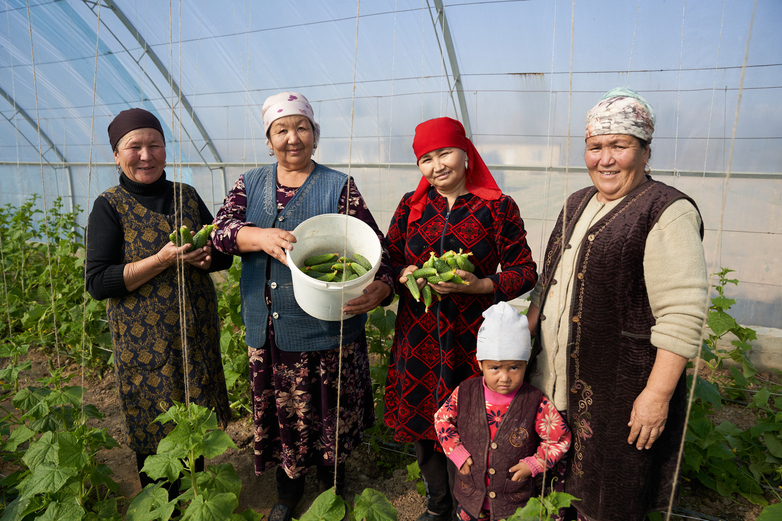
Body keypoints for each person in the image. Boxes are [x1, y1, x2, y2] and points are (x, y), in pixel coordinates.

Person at [526, 87, 709, 521]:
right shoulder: (576, 203)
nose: (605, 159)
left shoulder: (666, 210)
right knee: (556, 486)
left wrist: (656, 395)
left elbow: (682, 312)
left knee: (611, 496)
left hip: (621, 390)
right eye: (595, 147)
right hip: (556, 379)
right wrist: (524, 340)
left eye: (619, 146)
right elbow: (546, 282)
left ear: (645, 152)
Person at [211, 91, 394, 521]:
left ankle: (332, 491)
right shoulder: (249, 183)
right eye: (281, 130)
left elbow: (376, 247)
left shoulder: (337, 185)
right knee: (282, 413)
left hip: (330, 326)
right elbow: (220, 233)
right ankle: (287, 493)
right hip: (269, 329)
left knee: (330, 411)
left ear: (315, 134)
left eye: (302, 127)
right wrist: (258, 237)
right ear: (268, 139)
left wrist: (382, 286)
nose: (292, 138)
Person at [384, 116, 538, 521]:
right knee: (424, 425)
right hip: (416, 339)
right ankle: (439, 506)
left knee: (471, 429)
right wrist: (404, 274)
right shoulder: (410, 206)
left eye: (445, 153)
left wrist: (481, 286)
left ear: (466, 153)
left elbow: (524, 270)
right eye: (426, 158)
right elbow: (389, 257)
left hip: (472, 342)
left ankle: (470, 508)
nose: (437, 166)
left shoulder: (497, 207)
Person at [85, 108, 232, 496]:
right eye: (134, 147)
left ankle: (193, 495)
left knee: (193, 419)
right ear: (116, 155)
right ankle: (161, 503)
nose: (146, 155)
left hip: (194, 333)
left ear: (166, 149)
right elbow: (99, 281)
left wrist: (206, 258)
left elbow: (220, 252)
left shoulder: (186, 194)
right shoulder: (109, 206)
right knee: (155, 427)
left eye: (155, 145)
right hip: (143, 345)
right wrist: (160, 260)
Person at [435, 302, 571, 521]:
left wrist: (535, 464)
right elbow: (442, 419)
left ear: (526, 364)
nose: (505, 377)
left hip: (514, 503)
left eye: (514, 367)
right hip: (471, 497)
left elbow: (559, 438)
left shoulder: (534, 401)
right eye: (495, 368)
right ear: (480, 364)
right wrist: (456, 451)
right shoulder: (465, 392)